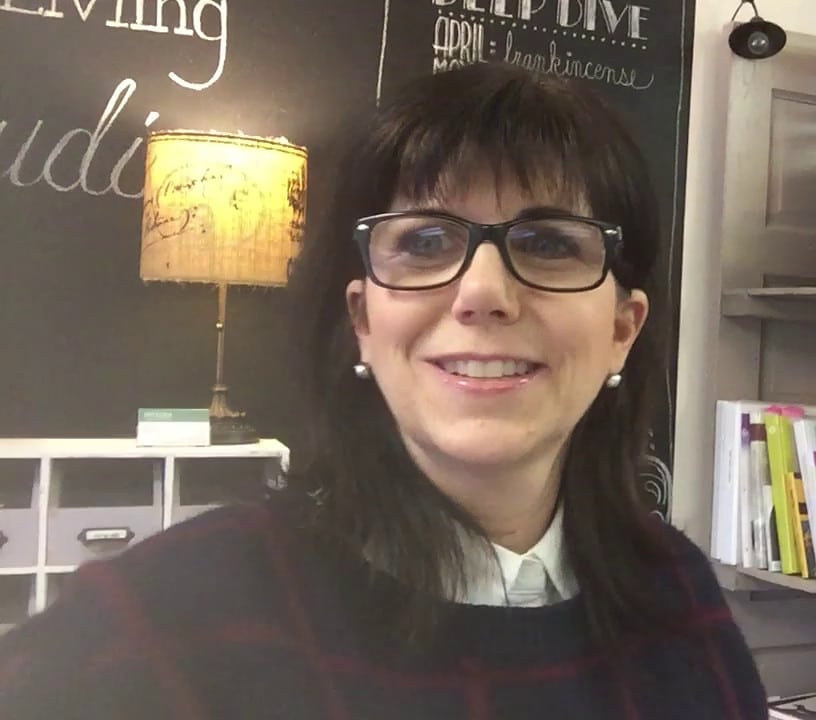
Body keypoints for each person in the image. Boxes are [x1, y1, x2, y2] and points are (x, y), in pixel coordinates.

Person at [0, 62, 768, 719]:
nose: (482, 293)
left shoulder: (677, 594)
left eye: (548, 243)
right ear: (364, 318)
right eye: (426, 241)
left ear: (623, 329)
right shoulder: (159, 622)